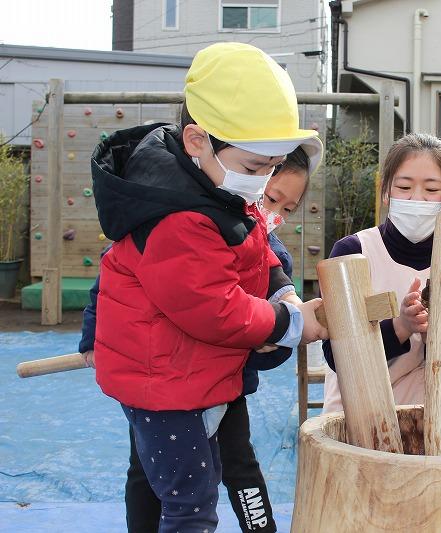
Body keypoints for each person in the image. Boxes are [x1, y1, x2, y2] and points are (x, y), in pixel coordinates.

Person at [90, 42, 327, 532]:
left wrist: (282, 289)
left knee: (172, 481)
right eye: (255, 166)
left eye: (272, 167)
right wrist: (291, 322)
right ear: (198, 140)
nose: (262, 181)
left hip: (190, 375)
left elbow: (256, 248)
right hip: (168, 389)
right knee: (189, 503)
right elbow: (212, 308)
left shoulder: (211, 184)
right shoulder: (178, 216)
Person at [321, 133, 441, 412]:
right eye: (404, 187)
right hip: (362, 416)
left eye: (431, 190)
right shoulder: (354, 251)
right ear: (385, 192)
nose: (417, 198)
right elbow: (337, 355)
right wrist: (401, 327)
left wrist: (436, 334)